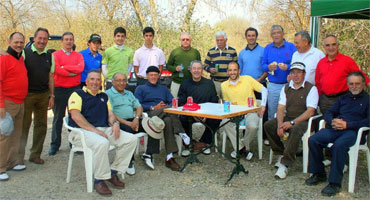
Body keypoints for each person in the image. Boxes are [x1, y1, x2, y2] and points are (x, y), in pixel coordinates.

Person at [68, 69, 137, 196]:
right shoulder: (77, 94)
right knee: (102, 143)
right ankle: (99, 179)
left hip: (103, 129)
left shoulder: (104, 96)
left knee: (131, 140)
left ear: (101, 82)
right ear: (87, 81)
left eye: (98, 79)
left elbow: (110, 114)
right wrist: (94, 130)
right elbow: (75, 116)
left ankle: (113, 172)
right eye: (92, 79)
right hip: (82, 132)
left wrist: (115, 124)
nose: (95, 82)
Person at [305, 72, 369, 196]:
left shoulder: (368, 100)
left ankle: (335, 183)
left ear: (363, 84)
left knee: (339, 145)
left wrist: (348, 125)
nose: (354, 86)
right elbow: (329, 112)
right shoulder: (343, 98)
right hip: (336, 129)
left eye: (357, 84)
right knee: (313, 139)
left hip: (354, 132)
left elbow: (368, 120)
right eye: (351, 84)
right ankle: (319, 173)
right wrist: (332, 121)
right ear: (348, 85)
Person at [264, 62, 318, 179]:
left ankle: (285, 164)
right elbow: (281, 108)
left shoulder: (311, 88)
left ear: (304, 74)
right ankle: (281, 153)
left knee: (295, 129)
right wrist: (279, 125)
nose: (296, 75)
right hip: (289, 117)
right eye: (293, 73)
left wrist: (292, 123)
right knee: (269, 125)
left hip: (305, 121)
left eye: (299, 72)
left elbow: (310, 112)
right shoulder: (286, 88)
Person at [106, 72, 163, 175]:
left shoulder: (129, 93)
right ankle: (129, 161)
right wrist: (128, 123)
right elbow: (111, 113)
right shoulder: (108, 94)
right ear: (113, 82)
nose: (121, 83)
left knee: (152, 125)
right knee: (128, 132)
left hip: (133, 119)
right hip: (118, 122)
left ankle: (148, 154)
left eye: (124, 80)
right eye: (118, 80)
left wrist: (136, 118)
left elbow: (139, 106)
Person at [134, 66, 189, 171]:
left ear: (159, 76)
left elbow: (172, 101)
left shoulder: (163, 89)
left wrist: (164, 106)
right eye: (151, 75)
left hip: (163, 114)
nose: (153, 77)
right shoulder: (140, 88)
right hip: (149, 114)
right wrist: (154, 107)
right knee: (167, 110)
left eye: (155, 75)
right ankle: (181, 132)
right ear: (147, 76)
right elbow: (137, 104)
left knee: (168, 120)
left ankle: (169, 156)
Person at [18, 28, 55, 165]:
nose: (42, 41)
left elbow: (51, 77)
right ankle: (18, 157)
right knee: (23, 126)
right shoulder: (24, 53)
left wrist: (52, 95)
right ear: (34, 38)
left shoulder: (50, 56)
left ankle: (35, 154)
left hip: (43, 95)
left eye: (45, 39)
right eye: (40, 38)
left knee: (41, 126)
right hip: (27, 95)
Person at [220, 62, 267, 160]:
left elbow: (264, 90)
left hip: (251, 111)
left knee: (253, 126)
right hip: (235, 113)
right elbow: (226, 103)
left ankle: (240, 146)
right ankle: (243, 149)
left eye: (235, 70)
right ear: (227, 72)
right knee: (224, 123)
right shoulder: (224, 85)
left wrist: (262, 105)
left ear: (239, 71)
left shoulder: (247, 79)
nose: (232, 72)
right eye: (230, 70)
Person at [315, 35, 370, 115]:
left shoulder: (347, 61)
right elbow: (318, 83)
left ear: (338, 45)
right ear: (324, 47)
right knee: (326, 122)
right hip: (325, 100)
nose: (331, 47)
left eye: (334, 44)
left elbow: (360, 76)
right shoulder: (321, 63)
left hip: (343, 98)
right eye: (328, 45)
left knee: (342, 123)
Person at [49, 32, 84, 156]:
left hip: (74, 89)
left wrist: (65, 67)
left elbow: (80, 68)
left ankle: (74, 144)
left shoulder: (78, 55)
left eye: (71, 39)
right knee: (58, 118)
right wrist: (69, 71)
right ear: (62, 41)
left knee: (74, 117)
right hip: (59, 89)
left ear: (73, 41)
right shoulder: (55, 55)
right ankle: (55, 145)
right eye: (66, 39)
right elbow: (57, 69)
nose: (69, 42)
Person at [0, 32, 28, 181]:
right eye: (16, 42)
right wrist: (1, 105)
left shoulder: (20, 58)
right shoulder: (3, 58)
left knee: (16, 134)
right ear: (10, 42)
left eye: (21, 42)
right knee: (4, 136)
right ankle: (0, 168)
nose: (19, 45)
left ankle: (12, 162)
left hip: (20, 102)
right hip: (7, 103)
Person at [178, 60, 220, 156]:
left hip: (207, 113)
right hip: (190, 113)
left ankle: (204, 143)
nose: (196, 71)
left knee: (216, 119)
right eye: (194, 68)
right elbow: (181, 102)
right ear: (190, 70)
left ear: (202, 70)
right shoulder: (184, 84)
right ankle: (188, 144)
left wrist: (206, 114)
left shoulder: (209, 83)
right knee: (181, 119)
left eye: (199, 68)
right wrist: (193, 114)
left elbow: (214, 101)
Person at [238, 27, 269, 145]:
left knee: (262, 109)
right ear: (246, 37)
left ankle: (264, 136)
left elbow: (266, 68)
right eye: (249, 35)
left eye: (253, 35)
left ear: (256, 37)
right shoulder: (242, 53)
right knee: (245, 110)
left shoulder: (263, 51)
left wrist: (259, 80)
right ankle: (245, 136)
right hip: (245, 87)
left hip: (260, 84)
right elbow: (239, 70)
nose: (251, 37)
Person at [262, 25, 297, 120]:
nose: (276, 35)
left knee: (289, 111)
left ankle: (286, 133)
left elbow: (297, 64)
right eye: (274, 33)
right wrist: (268, 67)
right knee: (272, 112)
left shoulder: (291, 47)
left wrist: (288, 67)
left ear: (283, 34)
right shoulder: (268, 48)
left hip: (289, 85)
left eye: (278, 33)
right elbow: (263, 65)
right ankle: (272, 133)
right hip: (273, 86)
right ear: (271, 36)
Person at [204, 31, 238, 97]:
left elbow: (236, 66)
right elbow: (205, 66)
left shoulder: (232, 51)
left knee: (229, 101)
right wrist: (209, 69)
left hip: (229, 82)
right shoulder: (211, 51)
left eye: (221, 40)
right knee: (215, 102)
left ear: (226, 40)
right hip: (215, 82)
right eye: (217, 40)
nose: (219, 42)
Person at [167, 32, 201, 97]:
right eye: (183, 39)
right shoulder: (175, 52)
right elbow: (168, 66)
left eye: (187, 39)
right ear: (180, 41)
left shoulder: (195, 52)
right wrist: (175, 68)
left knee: (192, 103)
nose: (185, 41)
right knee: (175, 104)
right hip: (177, 83)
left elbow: (200, 67)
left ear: (191, 40)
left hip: (192, 83)